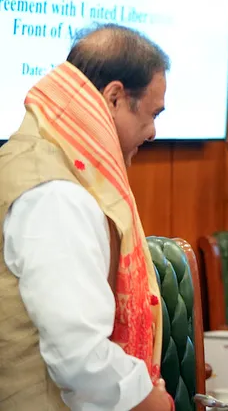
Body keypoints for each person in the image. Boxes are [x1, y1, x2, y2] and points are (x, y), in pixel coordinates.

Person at [0, 24, 173, 410]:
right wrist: (147, 400)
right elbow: (78, 354)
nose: (153, 132)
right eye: (150, 114)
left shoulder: (39, 156)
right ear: (114, 98)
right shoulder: (56, 193)